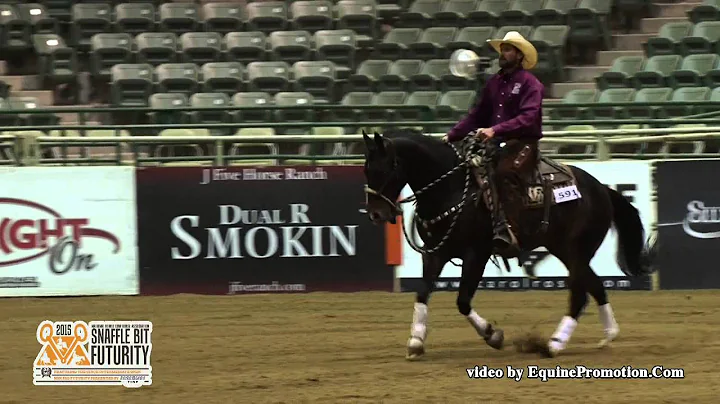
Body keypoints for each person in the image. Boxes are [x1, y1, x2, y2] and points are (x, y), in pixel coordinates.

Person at [443, 31, 544, 256]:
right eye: (503, 49)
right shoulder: (494, 83)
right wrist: (452, 135)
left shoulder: (531, 84)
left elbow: (528, 118)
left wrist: (495, 129)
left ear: (519, 55)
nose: (503, 53)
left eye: (508, 49)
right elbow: (476, 115)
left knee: (504, 173)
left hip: (523, 143)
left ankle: (510, 229)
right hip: (498, 143)